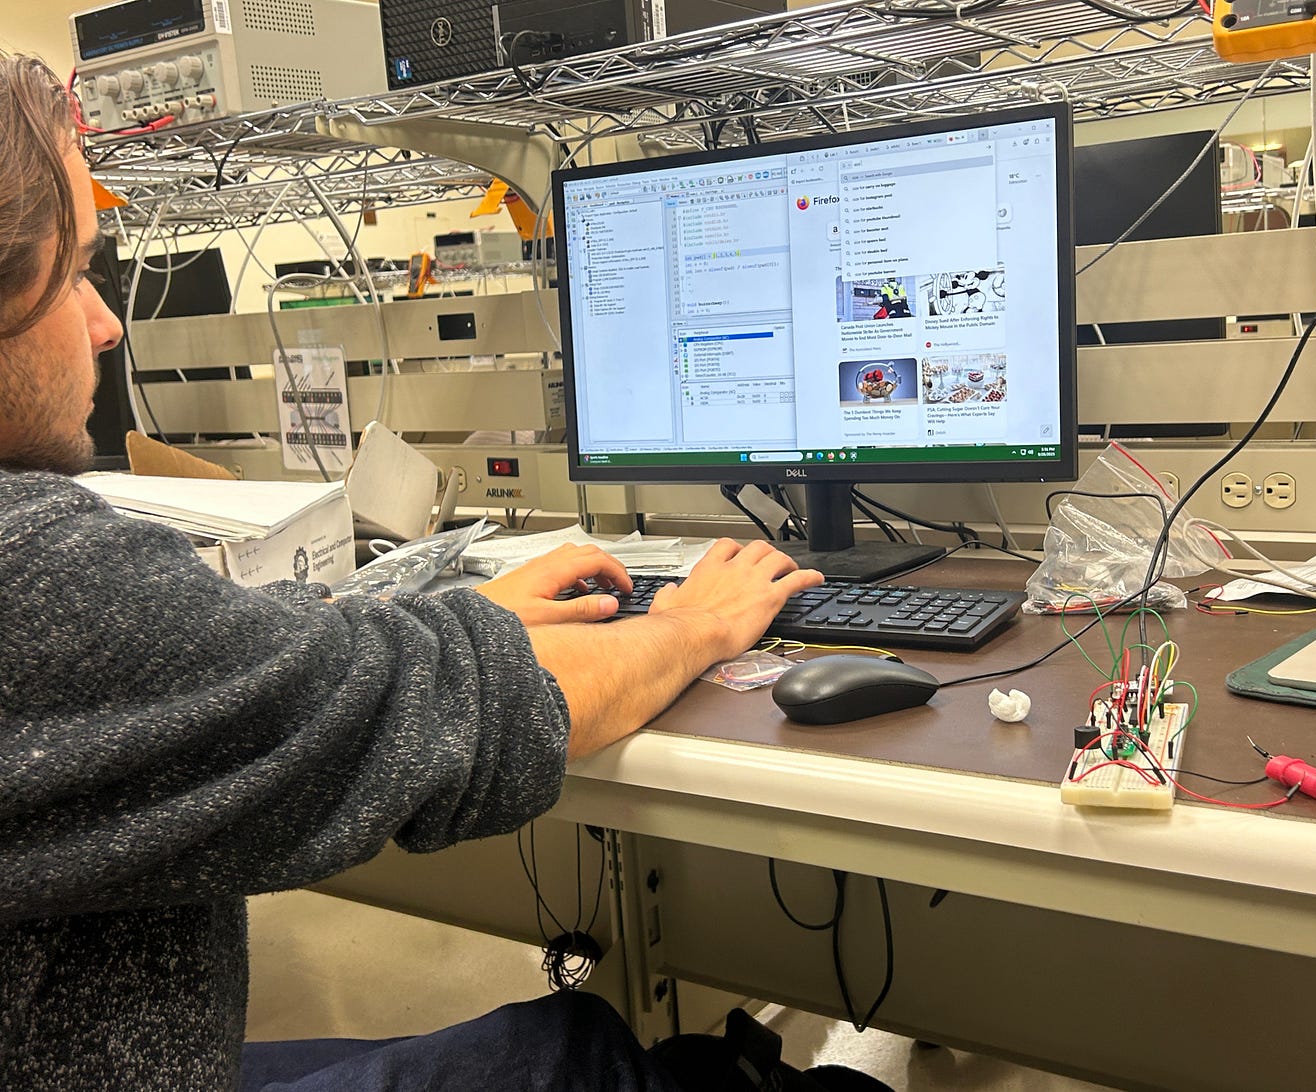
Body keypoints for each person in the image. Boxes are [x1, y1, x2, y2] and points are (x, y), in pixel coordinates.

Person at [0, 52, 824, 1089]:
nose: (105, 322)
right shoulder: (32, 569)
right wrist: (695, 623)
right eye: (77, 272)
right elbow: (471, 708)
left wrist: (448, 611)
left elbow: (253, 662)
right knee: (577, 1057)